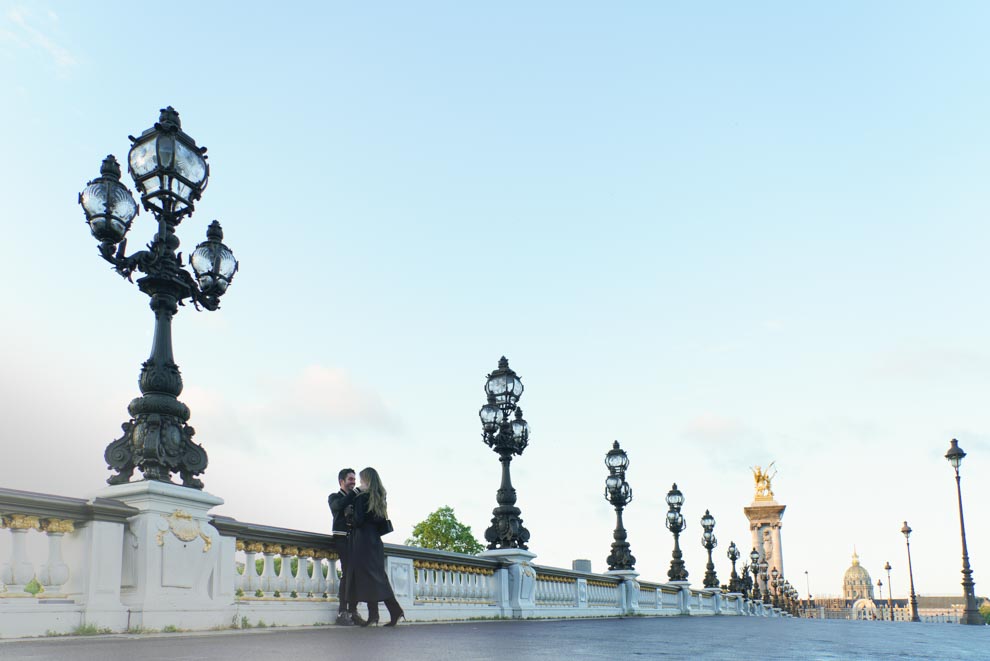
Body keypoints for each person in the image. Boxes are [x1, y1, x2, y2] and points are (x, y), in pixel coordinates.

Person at [345, 467, 405, 627]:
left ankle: (376, 615)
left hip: (362, 541)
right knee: (377, 577)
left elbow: (358, 521)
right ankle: (389, 612)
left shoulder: (361, 497)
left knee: (367, 578)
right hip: (375, 541)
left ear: (366, 480)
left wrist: (349, 514)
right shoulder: (379, 496)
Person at [328, 468, 357, 626]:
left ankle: (353, 611)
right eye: (350, 479)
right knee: (347, 573)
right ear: (341, 481)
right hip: (341, 538)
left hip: (355, 539)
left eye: (354, 479)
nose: (353, 482)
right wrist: (354, 495)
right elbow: (337, 507)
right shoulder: (334, 497)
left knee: (356, 575)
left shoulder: (355, 497)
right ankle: (342, 611)